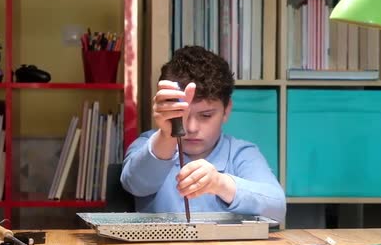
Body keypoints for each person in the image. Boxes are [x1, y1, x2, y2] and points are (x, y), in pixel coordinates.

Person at [120, 46, 286, 222]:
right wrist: (167, 136)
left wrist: (219, 183)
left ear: (226, 110)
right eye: (181, 115)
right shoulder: (150, 144)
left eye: (206, 115)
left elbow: (277, 208)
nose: (191, 128)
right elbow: (134, 184)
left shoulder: (240, 153)